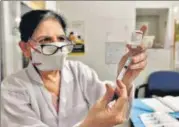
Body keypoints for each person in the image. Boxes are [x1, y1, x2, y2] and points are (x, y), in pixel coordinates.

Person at [1, 10, 147, 127]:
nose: (57, 46)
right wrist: (89, 125)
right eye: (45, 40)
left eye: (61, 39)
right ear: (25, 48)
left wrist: (125, 79)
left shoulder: (79, 72)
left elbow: (108, 103)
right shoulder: (12, 88)